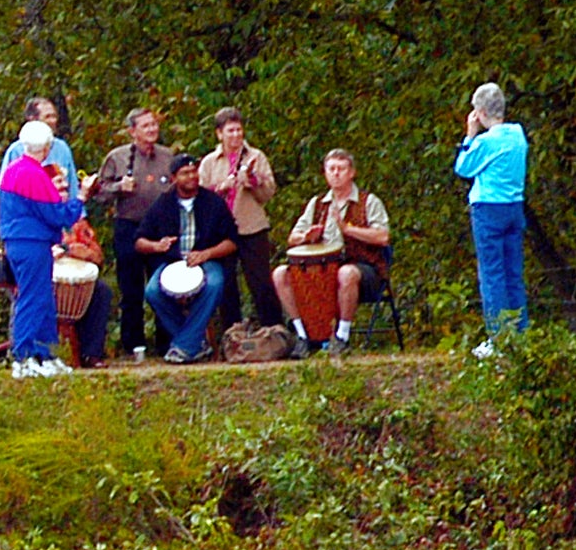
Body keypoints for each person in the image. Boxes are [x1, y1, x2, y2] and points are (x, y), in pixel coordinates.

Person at [85, 108, 185, 358]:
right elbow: (98, 192)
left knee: (165, 284)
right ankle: (133, 345)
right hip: (129, 226)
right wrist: (120, 187)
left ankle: (167, 342)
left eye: (154, 124)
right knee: (131, 288)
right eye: (145, 126)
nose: (152, 129)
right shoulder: (118, 158)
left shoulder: (167, 156)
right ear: (132, 131)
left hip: (161, 228)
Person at [273, 151, 392, 353]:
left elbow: (383, 237)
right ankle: (303, 335)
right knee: (280, 274)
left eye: (341, 169)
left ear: (352, 172)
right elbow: (292, 238)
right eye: (331, 169)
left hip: (363, 269)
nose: (336, 173)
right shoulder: (317, 204)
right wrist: (306, 237)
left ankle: (341, 337)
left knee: (345, 273)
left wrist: (348, 230)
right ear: (325, 173)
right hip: (320, 270)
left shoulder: (368, 201)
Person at [0, 120, 84, 377]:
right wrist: (81, 199)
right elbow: (58, 216)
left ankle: (44, 354)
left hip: (20, 241)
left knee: (43, 298)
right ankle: (23, 356)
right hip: (31, 242)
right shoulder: (34, 175)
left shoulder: (13, 170)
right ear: (46, 147)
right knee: (33, 298)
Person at [133, 154, 241, 363]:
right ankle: (196, 343)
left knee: (215, 284)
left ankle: (185, 345)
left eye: (194, 172)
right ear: (174, 178)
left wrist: (206, 254)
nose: (191, 176)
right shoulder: (162, 204)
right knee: (153, 291)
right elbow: (139, 241)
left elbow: (232, 241)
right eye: (185, 173)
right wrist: (157, 245)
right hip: (173, 263)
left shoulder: (213, 203)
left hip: (206, 261)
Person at [457, 81, 530, 350]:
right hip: (514, 206)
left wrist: (469, 135)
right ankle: (521, 334)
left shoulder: (486, 142)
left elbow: (463, 167)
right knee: (513, 272)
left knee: (492, 274)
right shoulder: (517, 134)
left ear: (481, 112)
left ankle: (499, 339)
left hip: (488, 209)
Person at [197, 108, 282, 332]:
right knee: (226, 286)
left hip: (251, 227)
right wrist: (220, 188)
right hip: (222, 233)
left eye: (239, 130)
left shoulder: (257, 157)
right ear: (219, 134)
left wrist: (253, 181)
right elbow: (200, 199)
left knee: (261, 283)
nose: (235, 135)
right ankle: (231, 335)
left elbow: (268, 195)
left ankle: (274, 331)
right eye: (230, 131)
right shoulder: (209, 162)